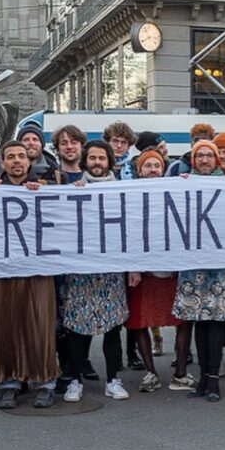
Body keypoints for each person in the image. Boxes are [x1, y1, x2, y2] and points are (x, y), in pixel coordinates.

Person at [0, 140, 59, 409]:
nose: (16, 161)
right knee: (6, 324)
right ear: (2, 163)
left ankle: (45, 382)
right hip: (4, 271)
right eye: (10, 157)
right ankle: (9, 383)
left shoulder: (46, 187)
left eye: (21, 156)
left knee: (40, 325)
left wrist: (47, 191)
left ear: (29, 162)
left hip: (38, 270)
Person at [59, 140, 129, 402]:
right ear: (84, 161)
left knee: (112, 328)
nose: (97, 163)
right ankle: (75, 380)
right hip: (80, 270)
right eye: (93, 159)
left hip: (111, 270)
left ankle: (113, 379)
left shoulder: (125, 189)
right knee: (78, 329)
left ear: (109, 161)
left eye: (102, 158)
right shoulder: (71, 188)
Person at [171, 139, 225, 401]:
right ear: (193, 160)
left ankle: (213, 379)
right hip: (194, 266)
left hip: (219, 266)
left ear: (216, 160)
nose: (204, 160)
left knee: (215, 322)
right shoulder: (184, 183)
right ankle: (202, 378)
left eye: (208, 156)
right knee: (199, 321)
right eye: (199, 156)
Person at [125, 148, 181, 392]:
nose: (153, 170)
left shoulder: (176, 193)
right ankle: (151, 372)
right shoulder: (127, 195)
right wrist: (133, 266)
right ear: (139, 170)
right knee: (140, 321)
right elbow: (125, 232)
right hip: (143, 272)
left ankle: (181, 373)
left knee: (182, 320)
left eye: (157, 166)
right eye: (147, 165)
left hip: (170, 270)